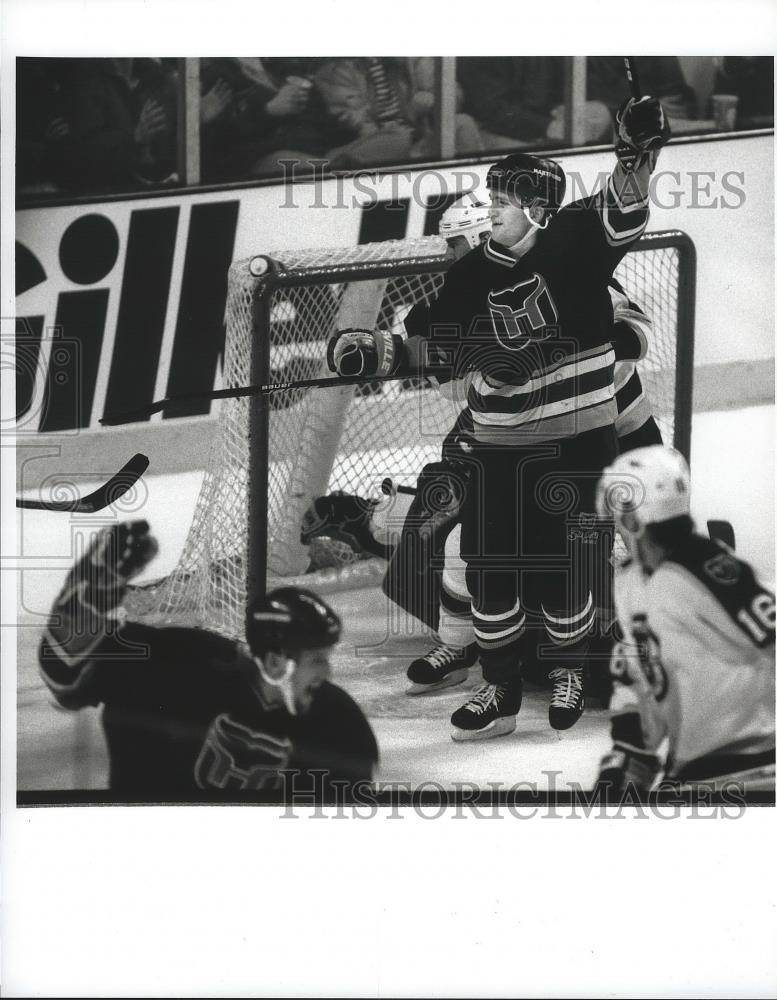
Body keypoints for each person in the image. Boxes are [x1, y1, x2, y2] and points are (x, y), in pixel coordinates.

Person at [326, 96, 671, 741]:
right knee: (483, 561)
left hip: (589, 438)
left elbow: (622, 212)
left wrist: (635, 154)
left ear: (537, 211)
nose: (486, 216)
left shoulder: (575, 243)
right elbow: (426, 341)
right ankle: (496, 684)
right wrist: (372, 351)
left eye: (502, 202)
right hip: (502, 446)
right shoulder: (470, 278)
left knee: (574, 560)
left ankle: (584, 662)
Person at [38, 520, 378, 799]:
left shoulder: (339, 723)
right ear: (276, 663)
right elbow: (65, 677)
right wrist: (80, 604)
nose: (327, 671)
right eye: (316, 659)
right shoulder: (177, 664)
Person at [594, 446, 775, 799]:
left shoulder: (708, 570)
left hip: (754, 764)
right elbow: (638, 674)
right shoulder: (630, 581)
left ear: (634, 517)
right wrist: (631, 753)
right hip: (689, 768)